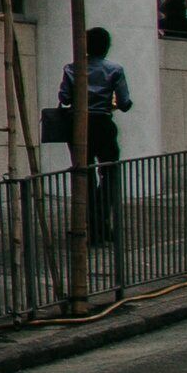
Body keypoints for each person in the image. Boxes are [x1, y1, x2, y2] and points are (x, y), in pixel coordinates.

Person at [61, 28, 134, 243]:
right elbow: (125, 103)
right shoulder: (115, 70)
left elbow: (64, 98)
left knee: (84, 176)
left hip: (78, 125)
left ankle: (89, 222)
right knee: (109, 174)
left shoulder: (71, 69)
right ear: (106, 46)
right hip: (102, 124)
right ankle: (100, 221)